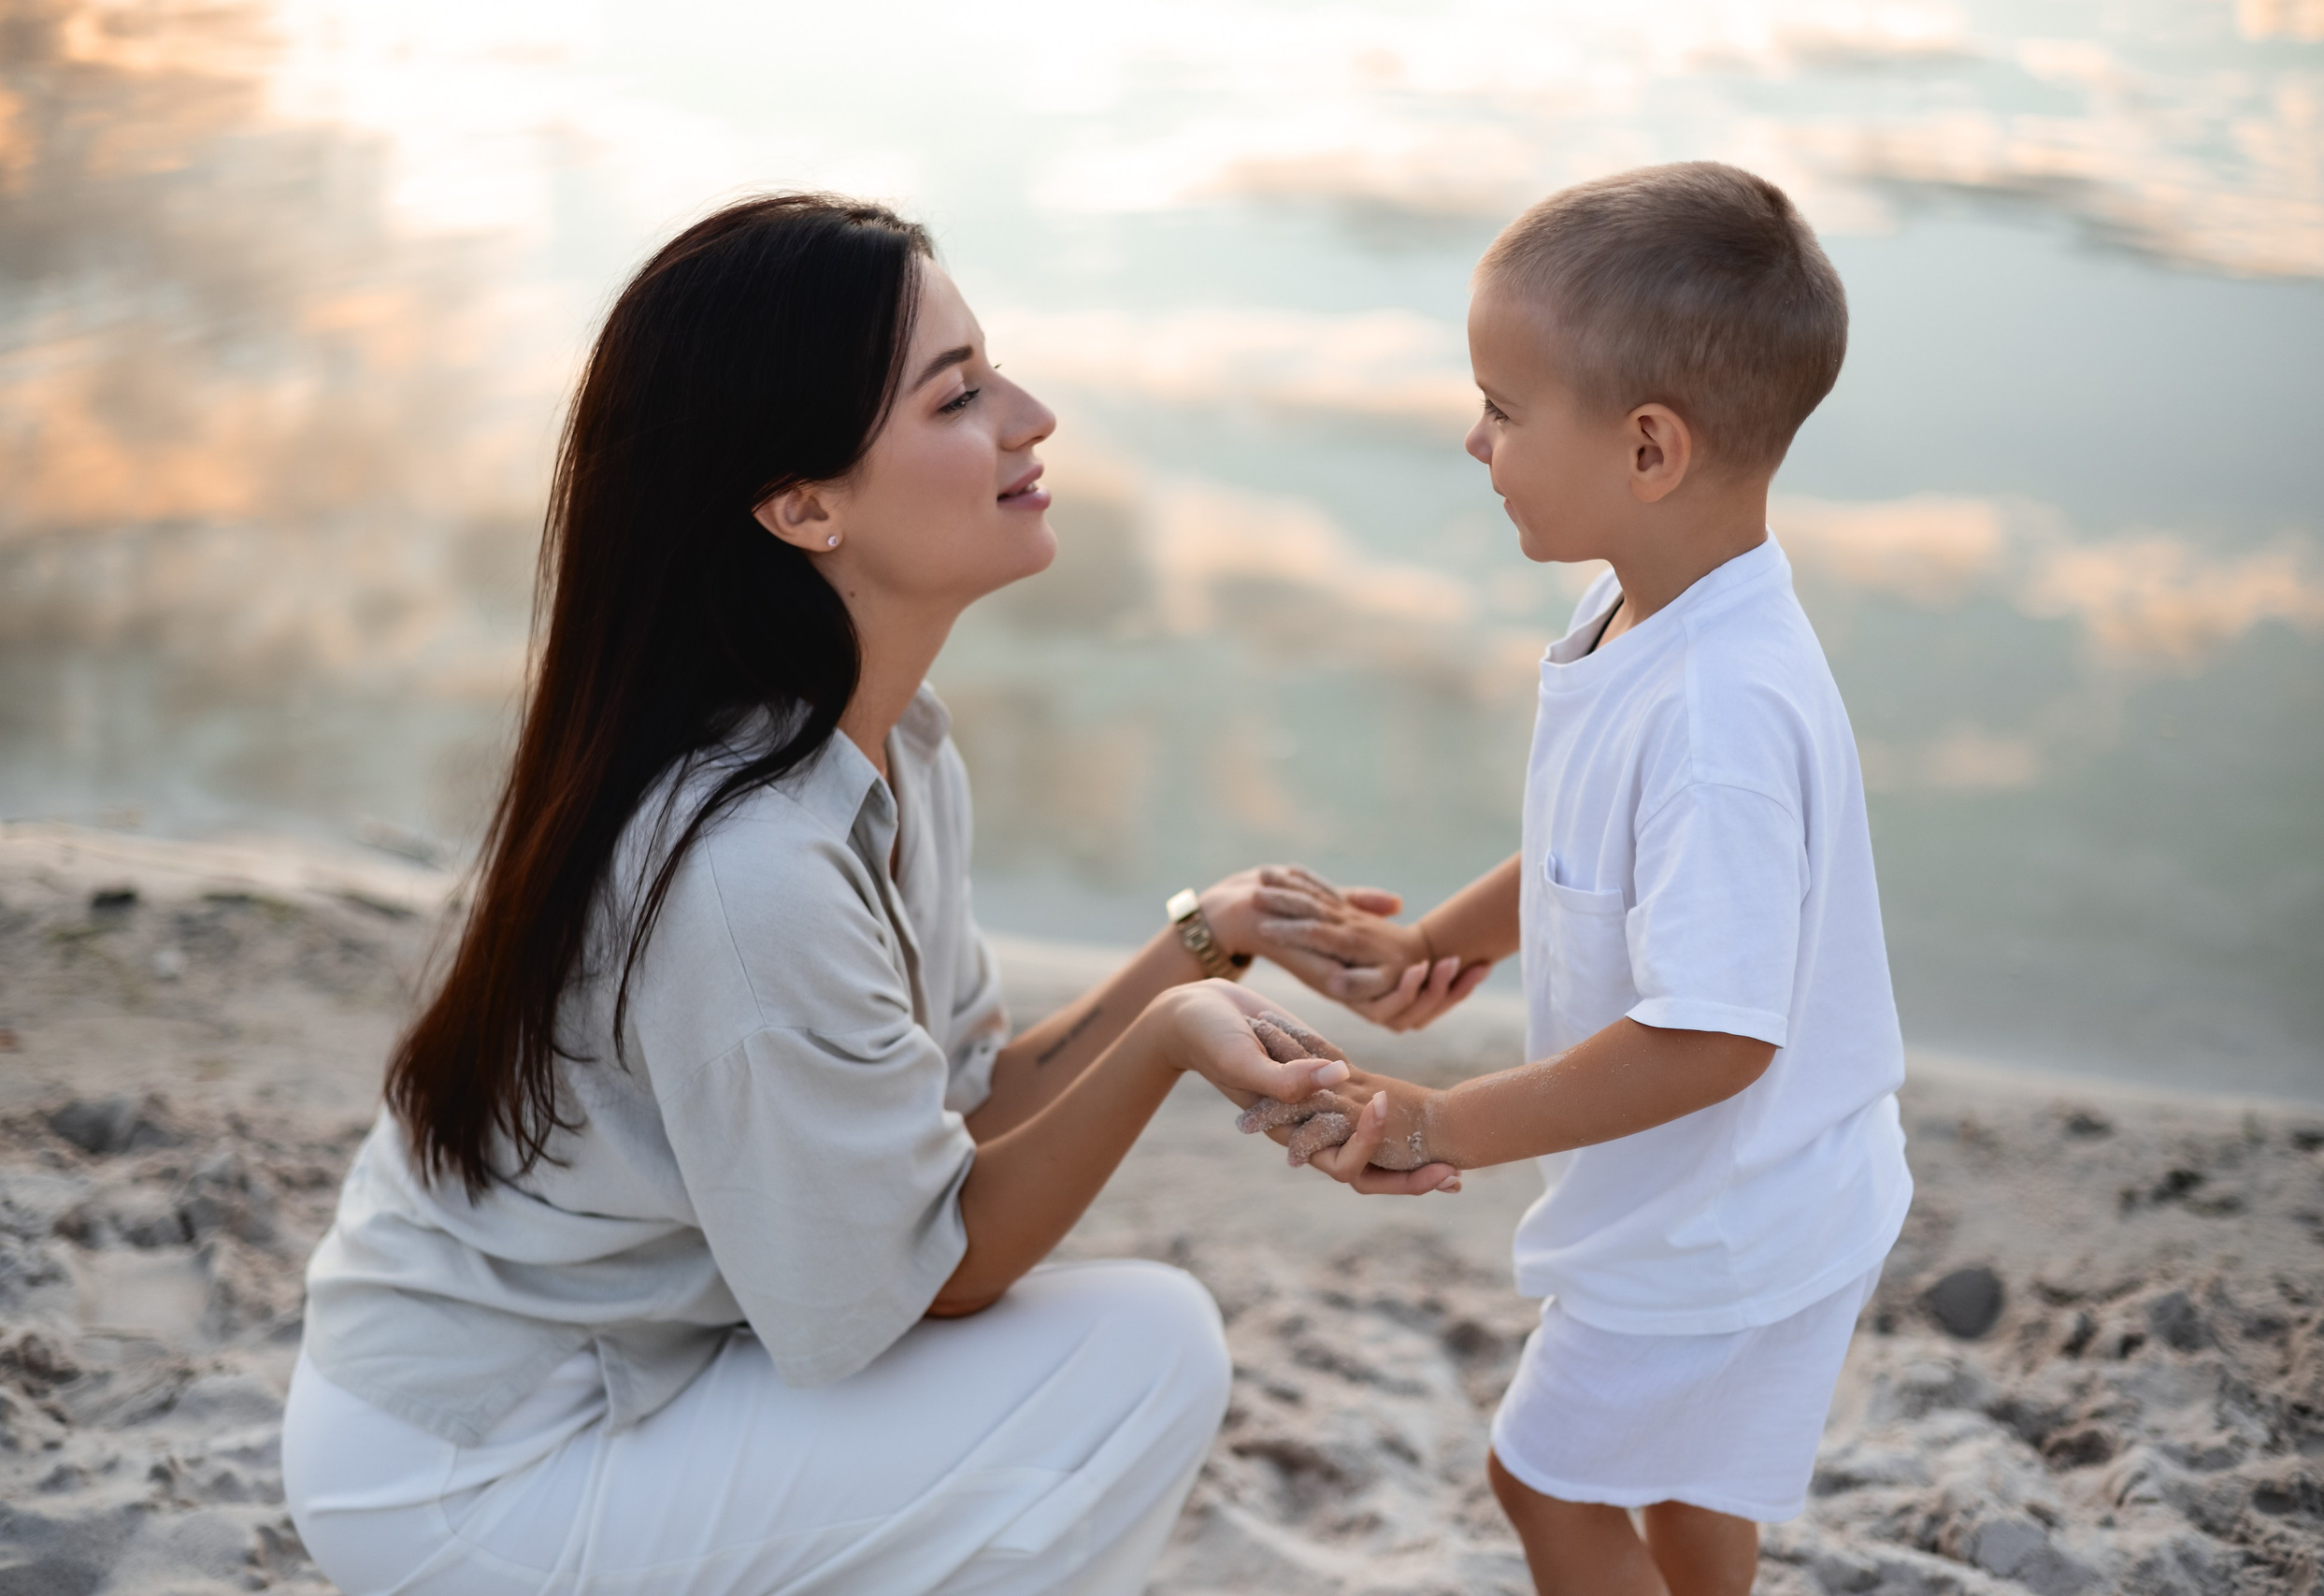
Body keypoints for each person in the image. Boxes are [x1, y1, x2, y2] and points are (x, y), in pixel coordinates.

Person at [280, 194, 1455, 1596]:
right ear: (801, 505)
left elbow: (948, 1108)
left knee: (1115, 1357)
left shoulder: (878, 742)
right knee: (1136, 1359)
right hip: (473, 1470)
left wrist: (1204, 946)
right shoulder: (744, 867)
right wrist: (1165, 1051)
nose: (1033, 415)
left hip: (604, 1380)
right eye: (959, 396)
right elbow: (921, 1282)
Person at [1248, 164, 1915, 1596]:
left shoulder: (1719, 713)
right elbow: (1583, 859)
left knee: (1543, 1479)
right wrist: (1441, 935)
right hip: (1764, 1190)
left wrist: (1449, 1122)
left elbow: (1720, 1034)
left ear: (1650, 448)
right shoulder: (1643, 603)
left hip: (1722, 1216)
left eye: (1501, 406)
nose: (1471, 438)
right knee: (1681, 1475)